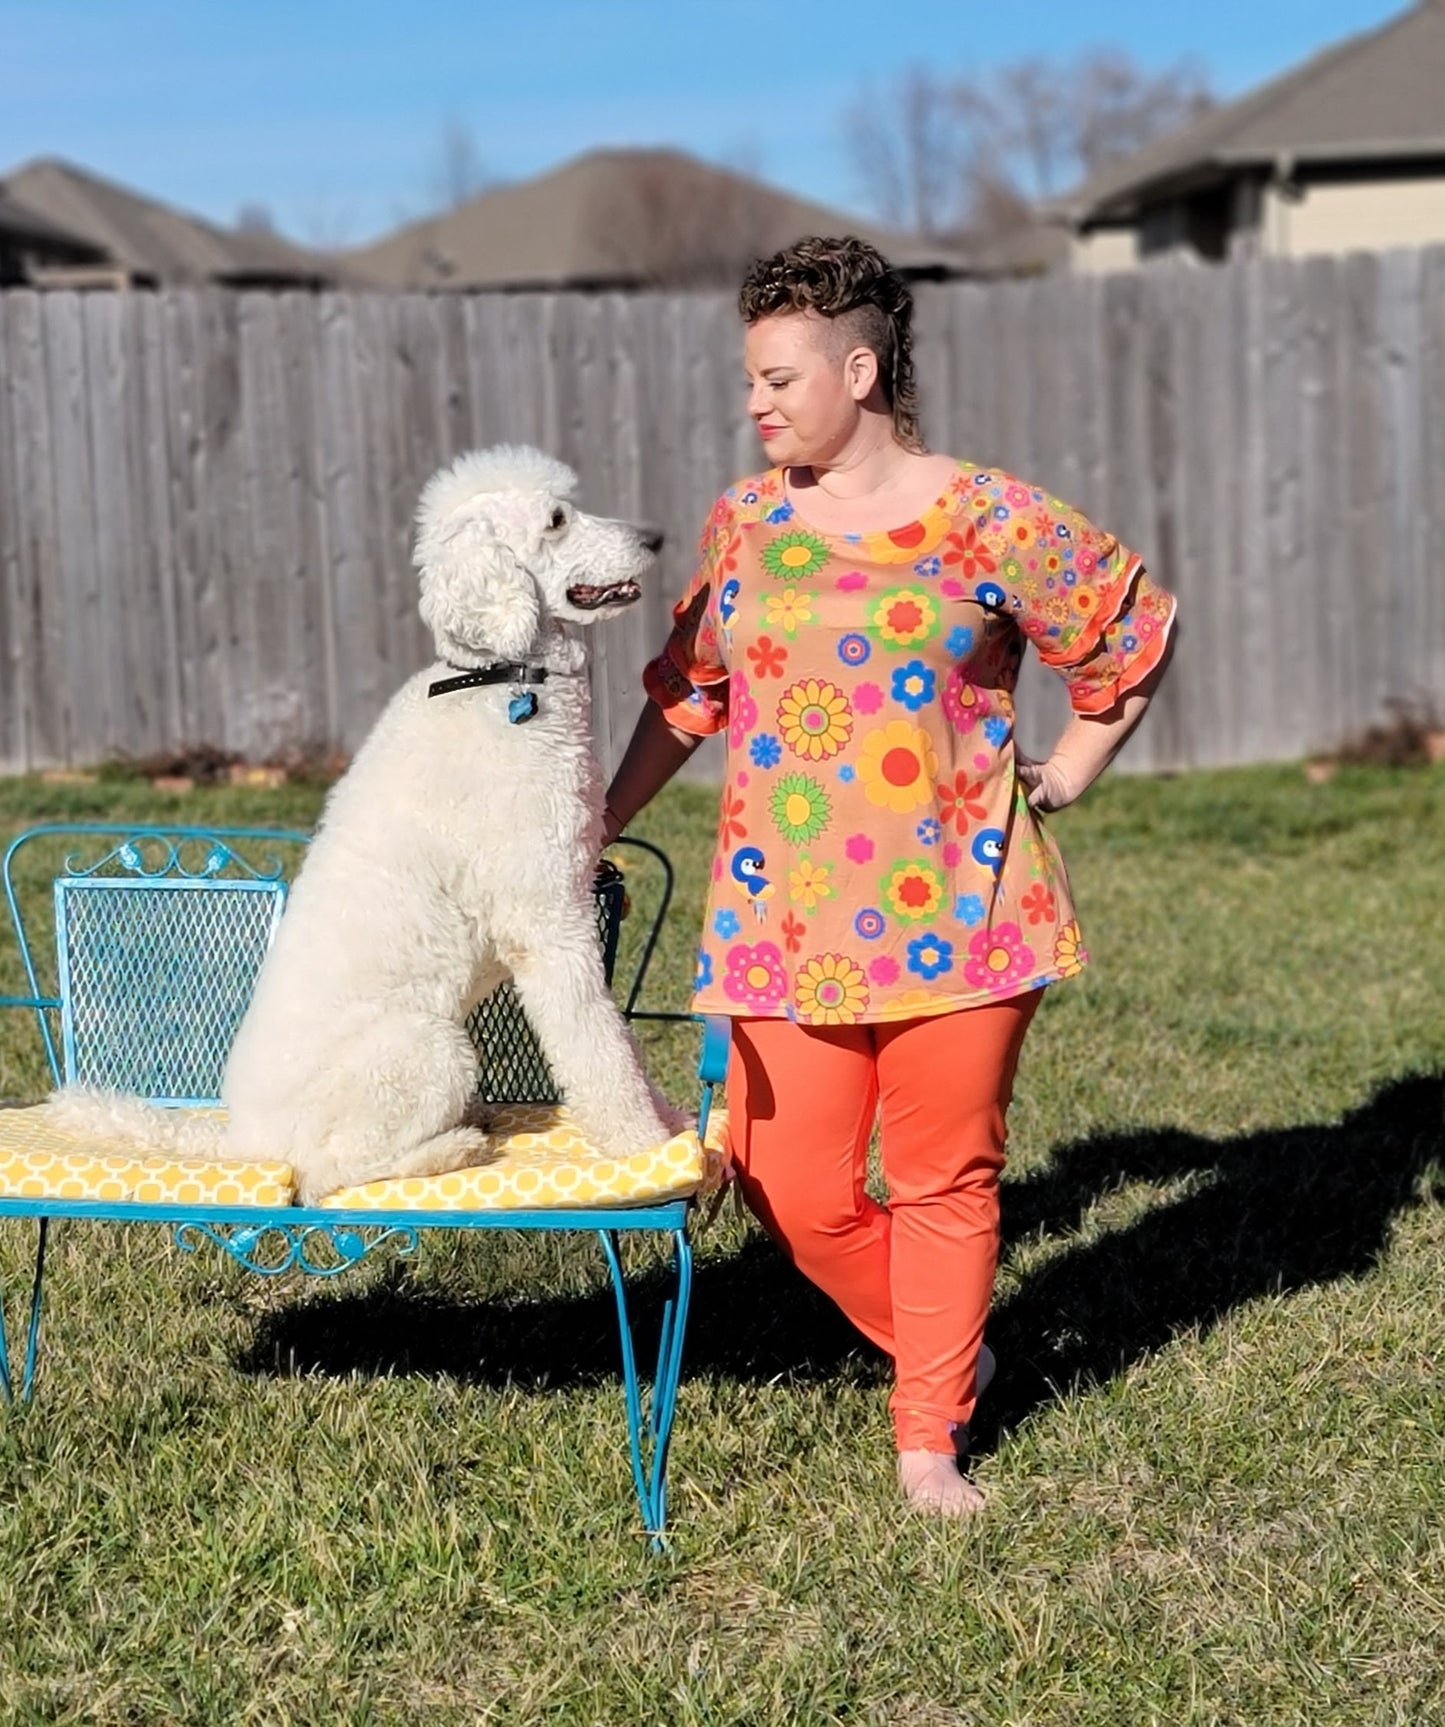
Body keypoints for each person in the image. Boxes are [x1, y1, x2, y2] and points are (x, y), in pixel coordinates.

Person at [602, 236, 1177, 1515]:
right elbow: (688, 694)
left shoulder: (987, 513)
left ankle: (928, 1438)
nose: (754, 403)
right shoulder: (744, 522)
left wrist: (1075, 763)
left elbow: (1125, 625)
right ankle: (953, 1347)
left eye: (778, 376)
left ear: (857, 368)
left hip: (962, 910)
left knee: (942, 1179)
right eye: (748, 379)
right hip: (782, 917)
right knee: (783, 1181)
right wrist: (596, 817)